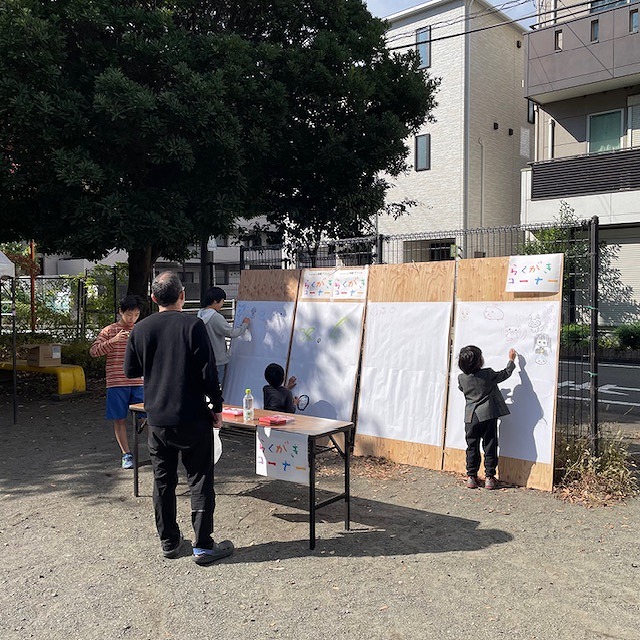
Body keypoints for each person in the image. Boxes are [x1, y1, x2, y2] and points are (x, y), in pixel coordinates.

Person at [124, 271, 233, 565]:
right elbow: (208, 373)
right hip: (193, 414)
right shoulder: (193, 325)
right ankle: (203, 545)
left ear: (153, 298)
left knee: (163, 481)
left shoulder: (141, 328)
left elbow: (130, 370)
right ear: (183, 296)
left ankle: (169, 541)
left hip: (157, 417)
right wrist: (217, 407)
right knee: (200, 478)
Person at [89, 294, 143, 469]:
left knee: (147, 417)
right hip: (116, 382)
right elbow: (94, 351)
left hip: (139, 382)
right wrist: (113, 341)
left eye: (136, 315)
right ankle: (126, 454)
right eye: (129, 314)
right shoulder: (109, 330)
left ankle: (156, 449)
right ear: (120, 312)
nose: (132, 318)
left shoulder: (141, 329)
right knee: (119, 419)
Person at [457, 345, 517, 490]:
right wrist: (511, 360)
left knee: (472, 447)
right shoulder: (487, 374)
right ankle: (489, 478)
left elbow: (462, 389)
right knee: (489, 445)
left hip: (470, 417)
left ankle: (471, 477)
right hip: (487, 416)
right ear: (479, 361)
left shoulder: (461, 378)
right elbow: (505, 374)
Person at [197, 287, 250, 387]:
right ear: (215, 301)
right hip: (217, 359)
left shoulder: (200, 314)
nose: (223, 303)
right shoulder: (215, 317)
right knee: (217, 387)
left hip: (204, 359)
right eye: (222, 301)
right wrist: (245, 325)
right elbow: (232, 333)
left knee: (205, 387)